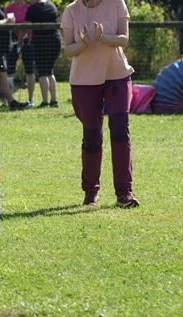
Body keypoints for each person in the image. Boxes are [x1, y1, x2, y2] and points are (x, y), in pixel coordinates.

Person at [61, 0, 140, 208]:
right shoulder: (71, 10)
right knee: (92, 135)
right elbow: (69, 50)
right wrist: (85, 43)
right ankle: (90, 191)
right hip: (84, 79)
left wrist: (102, 37)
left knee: (120, 128)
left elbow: (124, 39)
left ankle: (124, 193)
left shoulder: (117, 3)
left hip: (117, 75)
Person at [25, 0, 61, 108]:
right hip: (55, 40)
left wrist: (22, 39)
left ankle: (45, 101)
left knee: (43, 72)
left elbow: (25, 26)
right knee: (50, 71)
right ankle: (54, 100)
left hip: (40, 42)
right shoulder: (52, 5)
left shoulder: (33, 8)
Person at [4, 0, 36, 108]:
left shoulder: (29, 7)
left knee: (29, 70)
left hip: (28, 41)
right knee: (9, 70)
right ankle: (9, 99)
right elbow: (6, 25)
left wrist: (22, 39)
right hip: (12, 42)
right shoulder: (8, 8)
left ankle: (30, 99)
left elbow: (30, 25)